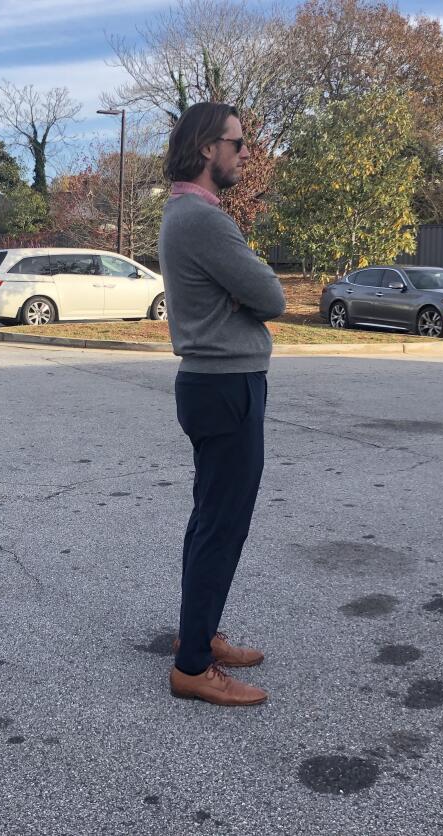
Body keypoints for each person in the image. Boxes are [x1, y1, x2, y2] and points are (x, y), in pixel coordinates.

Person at [157, 103, 287, 706]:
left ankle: (201, 636)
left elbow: (252, 295)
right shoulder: (204, 219)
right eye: (237, 143)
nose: (244, 153)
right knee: (221, 524)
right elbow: (271, 295)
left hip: (213, 382)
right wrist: (245, 300)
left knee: (210, 518)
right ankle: (191, 666)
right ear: (207, 147)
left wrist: (244, 300)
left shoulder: (188, 212)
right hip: (225, 382)